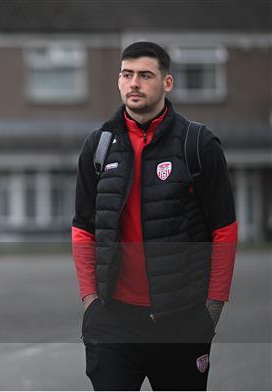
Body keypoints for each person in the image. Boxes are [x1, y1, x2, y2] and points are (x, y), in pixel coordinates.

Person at [72, 42, 237, 390]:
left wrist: (211, 310)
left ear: (167, 82)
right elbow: (83, 230)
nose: (134, 83)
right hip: (113, 320)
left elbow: (224, 230)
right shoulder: (97, 146)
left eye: (145, 75)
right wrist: (90, 302)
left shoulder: (198, 144)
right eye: (127, 74)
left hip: (181, 319)